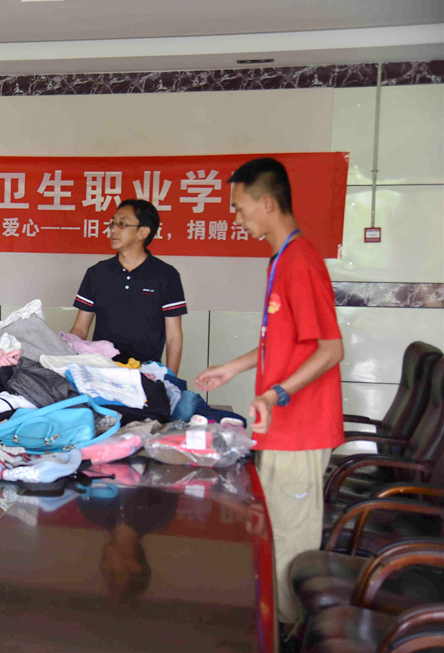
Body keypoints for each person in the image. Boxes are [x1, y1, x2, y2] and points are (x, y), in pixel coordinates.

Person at [193, 157, 344, 631]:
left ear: (268, 203)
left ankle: (291, 634)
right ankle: (277, 627)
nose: (236, 218)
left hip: (300, 429)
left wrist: (275, 394)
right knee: (273, 533)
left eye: (240, 208)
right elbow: (280, 344)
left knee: (290, 543)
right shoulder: (279, 261)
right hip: (280, 428)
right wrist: (231, 369)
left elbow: (331, 349)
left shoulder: (302, 263)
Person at [69, 198, 186, 373]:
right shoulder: (97, 273)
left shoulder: (166, 275)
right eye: (112, 223)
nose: (113, 229)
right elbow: (80, 328)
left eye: (122, 224)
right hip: (100, 372)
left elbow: (174, 336)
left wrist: (171, 380)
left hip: (146, 374)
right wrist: (66, 359)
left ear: (143, 232)